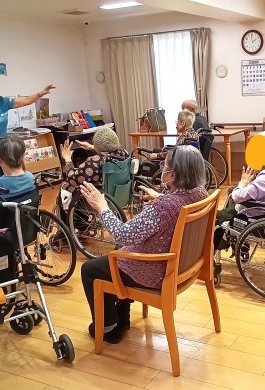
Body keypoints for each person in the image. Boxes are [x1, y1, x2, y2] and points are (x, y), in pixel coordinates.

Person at [79, 145, 208, 344]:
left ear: (172, 175)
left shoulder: (163, 207)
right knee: (119, 253)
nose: (162, 169)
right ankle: (122, 316)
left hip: (154, 272)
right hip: (183, 267)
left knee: (90, 269)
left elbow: (122, 235)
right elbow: (177, 204)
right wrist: (160, 196)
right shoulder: (200, 194)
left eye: (165, 167)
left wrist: (102, 208)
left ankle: (108, 328)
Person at [0, 71, 55, 185]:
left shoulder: (2, 102)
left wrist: (40, 94)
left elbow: (24, 101)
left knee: (12, 181)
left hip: (4, 150)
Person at [214, 131, 265, 250]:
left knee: (219, 215)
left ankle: (218, 245)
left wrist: (243, 182)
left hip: (259, 216)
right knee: (229, 207)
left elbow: (237, 196)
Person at [58, 126, 129, 212]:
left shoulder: (96, 162)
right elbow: (109, 151)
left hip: (99, 199)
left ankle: (69, 218)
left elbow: (72, 178)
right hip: (120, 195)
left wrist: (67, 159)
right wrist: (92, 147)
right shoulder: (123, 153)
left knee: (66, 186)